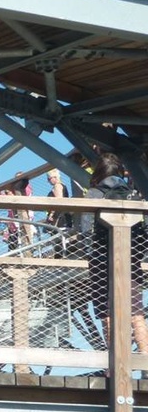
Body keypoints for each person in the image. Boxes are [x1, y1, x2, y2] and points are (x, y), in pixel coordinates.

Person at [81, 153, 148, 356]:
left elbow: (86, 228)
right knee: (136, 311)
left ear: (98, 172)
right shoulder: (133, 194)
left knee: (106, 312)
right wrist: (139, 252)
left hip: (101, 257)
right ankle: (146, 358)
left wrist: (90, 253)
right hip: (130, 257)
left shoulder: (93, 194)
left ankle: (114, 361)